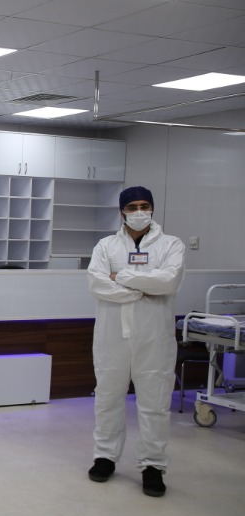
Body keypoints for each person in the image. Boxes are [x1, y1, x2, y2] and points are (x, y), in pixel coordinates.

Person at [87, 186, 185, 497]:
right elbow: (97, 283)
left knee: (155, 403)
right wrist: (142, 288)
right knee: (108, 398)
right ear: (122, 211)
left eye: (144, 205)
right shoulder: (106, 246)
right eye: (132, 207)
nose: (139, 211)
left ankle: (153, 466)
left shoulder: (171, 244)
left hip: (154, 337)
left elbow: (168, 281)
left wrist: (122, 276)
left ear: (152, 208)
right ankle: (105, 457)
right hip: (112, 335)